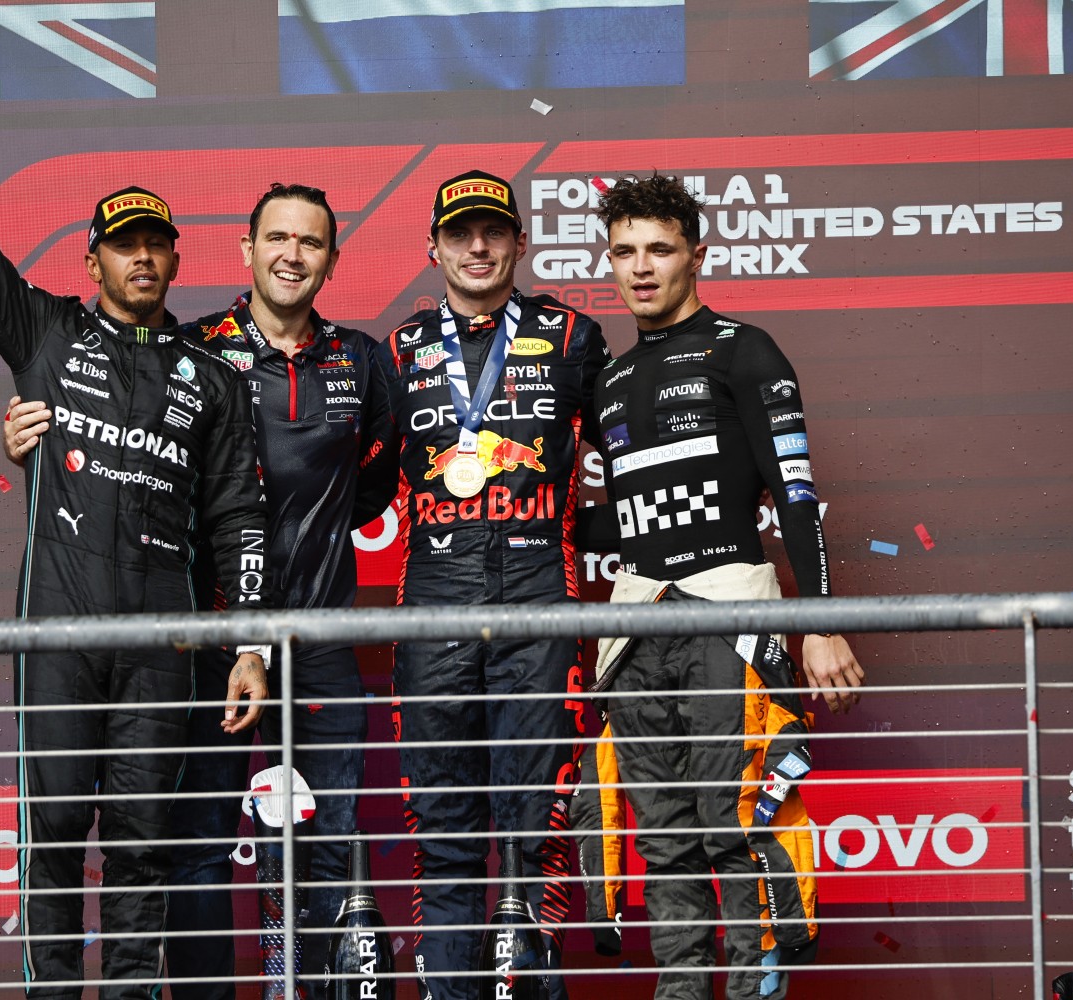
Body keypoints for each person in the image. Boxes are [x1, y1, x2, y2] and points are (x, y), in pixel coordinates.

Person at [0, 13, 270, 999]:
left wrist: (251, 646)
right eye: (123, 246)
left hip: (163, 644)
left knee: (142, 852)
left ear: (177, 261)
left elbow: (239, 521)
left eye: (156, 246)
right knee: (55, 839)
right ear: (93, 260)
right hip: (59, 633)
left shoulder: (213, 378)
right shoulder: (47, 335)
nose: (142, 259)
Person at [4, 183, 398, 1000]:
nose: (294, 254)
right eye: (277, 238)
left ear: (332, 259)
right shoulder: (194, 351)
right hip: (204, 642)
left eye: (313, 242)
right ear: (244, 251)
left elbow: (373, 489)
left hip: (318, 639)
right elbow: (129, 439)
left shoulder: (362, 360)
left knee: (325, 845)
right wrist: (31, 439)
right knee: (191, 844)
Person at [577, 173, 866, 1000]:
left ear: (696, 255)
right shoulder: (612, 381)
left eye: (659, 249)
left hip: (729, 622)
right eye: (625, 251)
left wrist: (818, 623)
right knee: (662, 843)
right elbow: (632, 520)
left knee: (738, 828)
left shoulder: (746, 349)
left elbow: (797, 495)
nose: (641, 267)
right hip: (637, 634)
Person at [370, 170, 611, 1000]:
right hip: (432, 601)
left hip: (540, 594)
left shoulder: (575, 335)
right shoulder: (396, 350)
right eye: (461, 232)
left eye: (494, 232)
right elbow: (345, 478)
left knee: (531, 823)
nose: (478, 247)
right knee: (441, 826)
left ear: (518, 243)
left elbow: (633, 447)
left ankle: (530, 987)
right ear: (433, 246)